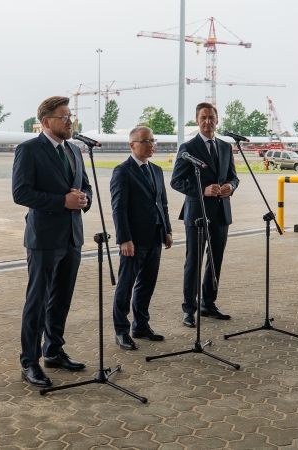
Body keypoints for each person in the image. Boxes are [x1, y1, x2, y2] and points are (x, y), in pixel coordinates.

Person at [11, 96, 93, 387]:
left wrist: (84, 200)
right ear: (46, 122)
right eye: (64, 117)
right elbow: (21, 193)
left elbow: (86, 187)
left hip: (72, 236)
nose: (70, 122)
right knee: (38, 300)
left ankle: (54, 351)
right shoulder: (29, 150)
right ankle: (29, 363)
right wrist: (62, 201)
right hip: (44, 238)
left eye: (71, 117)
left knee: (61, 299)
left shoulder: (75, 150)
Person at [171, 102, 239, 327]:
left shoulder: (225, 147)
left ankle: (208, 303)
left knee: (215, 259)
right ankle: (188, 309)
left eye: (211, 118)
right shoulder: (187, 147)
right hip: (197, 213)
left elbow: (233, 177)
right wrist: (203, 190)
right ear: (197, 120)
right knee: (194, 261)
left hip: (221, 211)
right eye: (203, 118)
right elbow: (176, 181)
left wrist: (230, 186)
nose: (208, 122)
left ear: (217, 120)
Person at [110, 126, 173, 350]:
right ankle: (121, 330)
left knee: (147, 284)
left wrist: (167, 230)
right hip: (133, 241)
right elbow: (119, 209)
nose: (151, 145)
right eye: (145, 141)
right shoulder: (122, 171)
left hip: (155, 236)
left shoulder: (156, 170)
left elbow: (162, 203)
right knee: (126, 286)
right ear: (132, 145)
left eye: (152, 141)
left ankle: (141, 325)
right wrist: (124, 239)